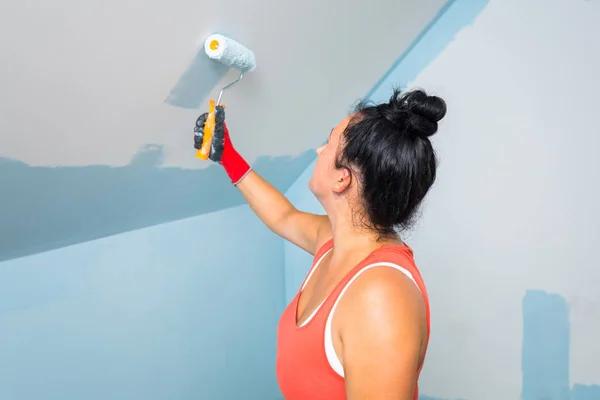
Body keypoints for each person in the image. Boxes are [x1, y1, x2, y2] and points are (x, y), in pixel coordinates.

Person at [194, 88, 447, 399]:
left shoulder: (380, 296)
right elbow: (284, 217)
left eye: (329, 144)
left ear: (343, 179)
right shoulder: (336, 240)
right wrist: (226, 156)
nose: (318, 150)